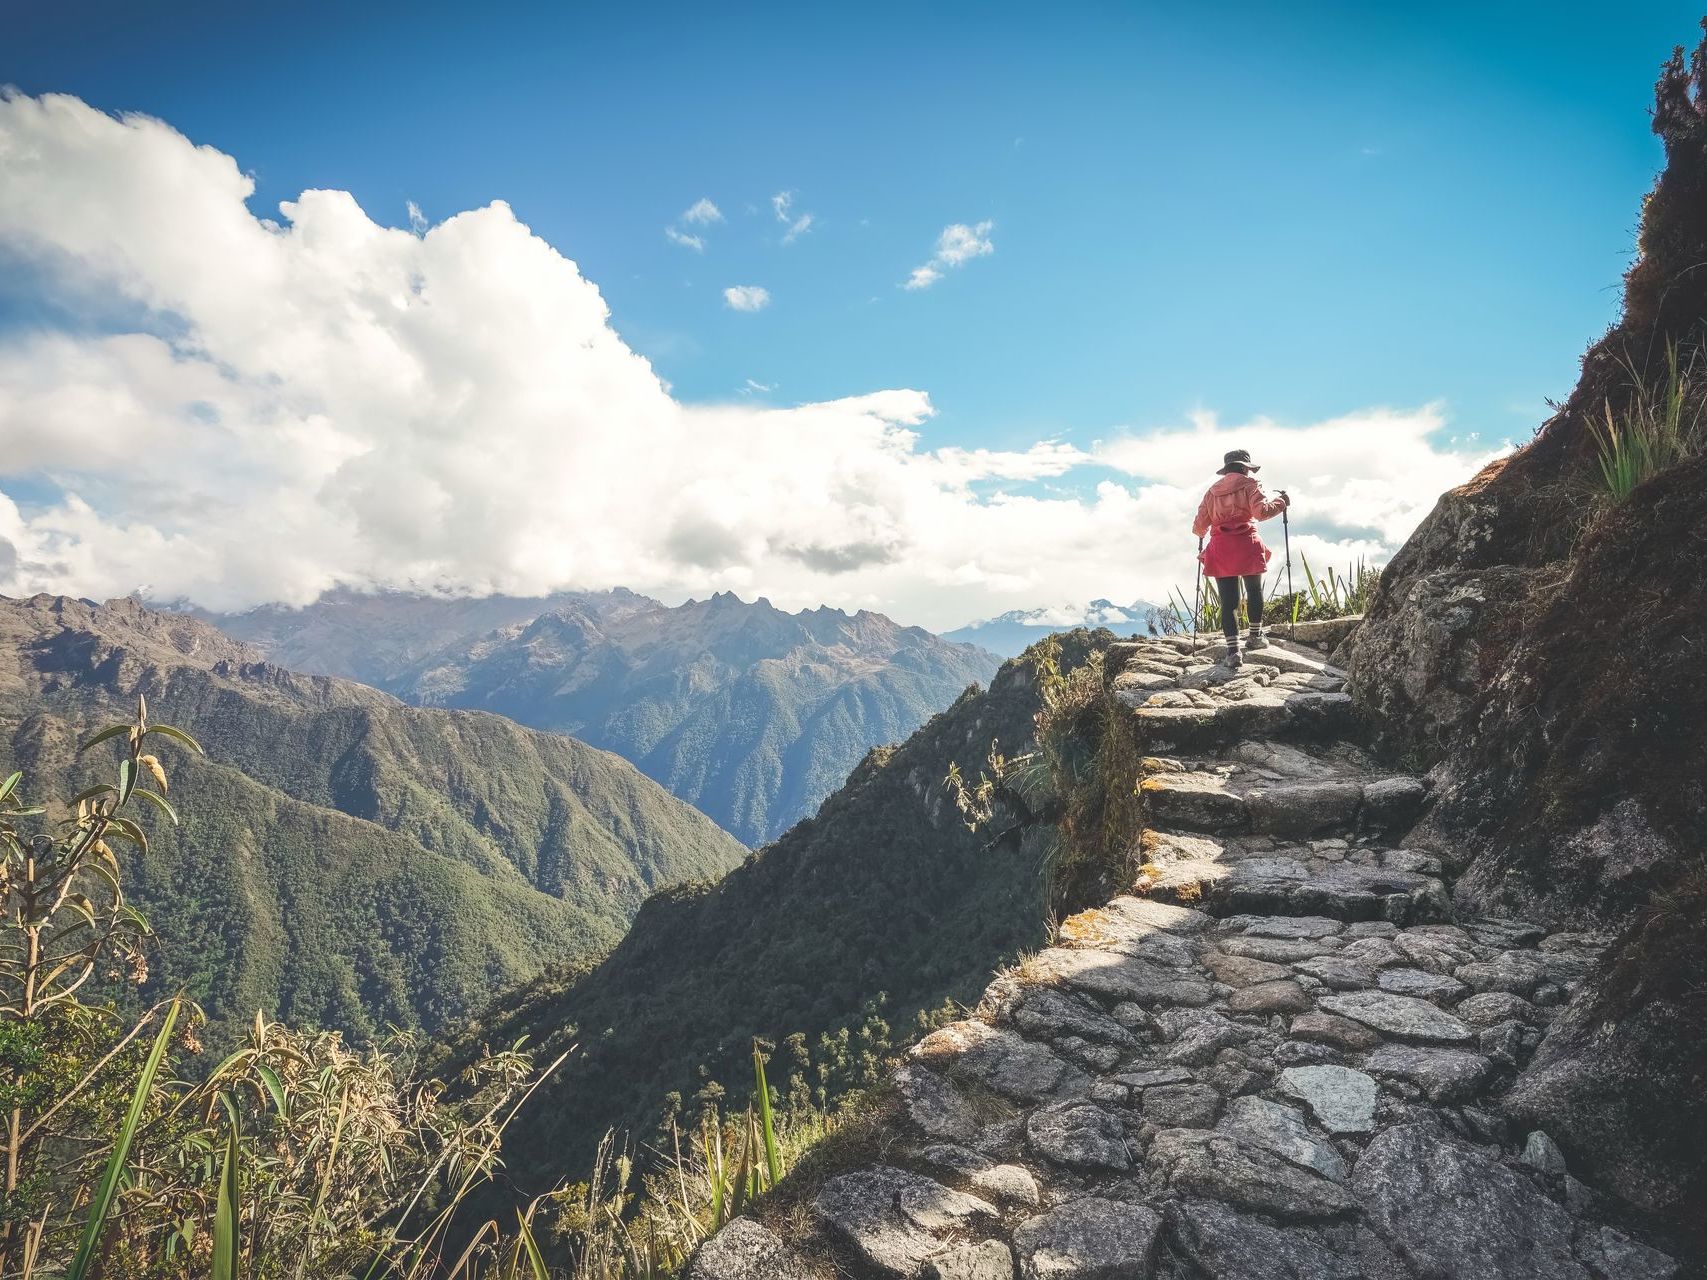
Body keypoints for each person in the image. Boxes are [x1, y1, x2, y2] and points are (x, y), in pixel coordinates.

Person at [1191, 449, 1289, 668]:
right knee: (1254, 590)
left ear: (1226, 470)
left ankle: (1233, 652)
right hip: (1247, 544)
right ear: (1246, 467)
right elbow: (1261, 513)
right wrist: (1281, 502)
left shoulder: (1211, 492)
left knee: (1229, 602)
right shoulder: (1250, 484)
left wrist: (1201, 534)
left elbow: (1199, 526)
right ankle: (1255, 637)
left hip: (1221, 548)